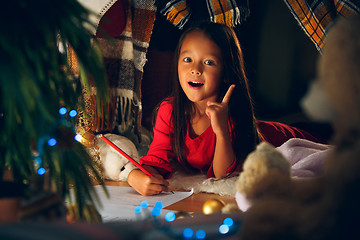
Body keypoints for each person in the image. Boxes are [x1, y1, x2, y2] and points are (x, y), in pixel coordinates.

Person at [127, 22, 318, 196]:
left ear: (226, 72)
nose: (196, 69)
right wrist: (133, 176)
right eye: (187, 59)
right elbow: (156, 160)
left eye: (208, 62)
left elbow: (223, 175)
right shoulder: (169, 111)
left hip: (278, 138)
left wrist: (221, 130)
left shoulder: (231, 113)